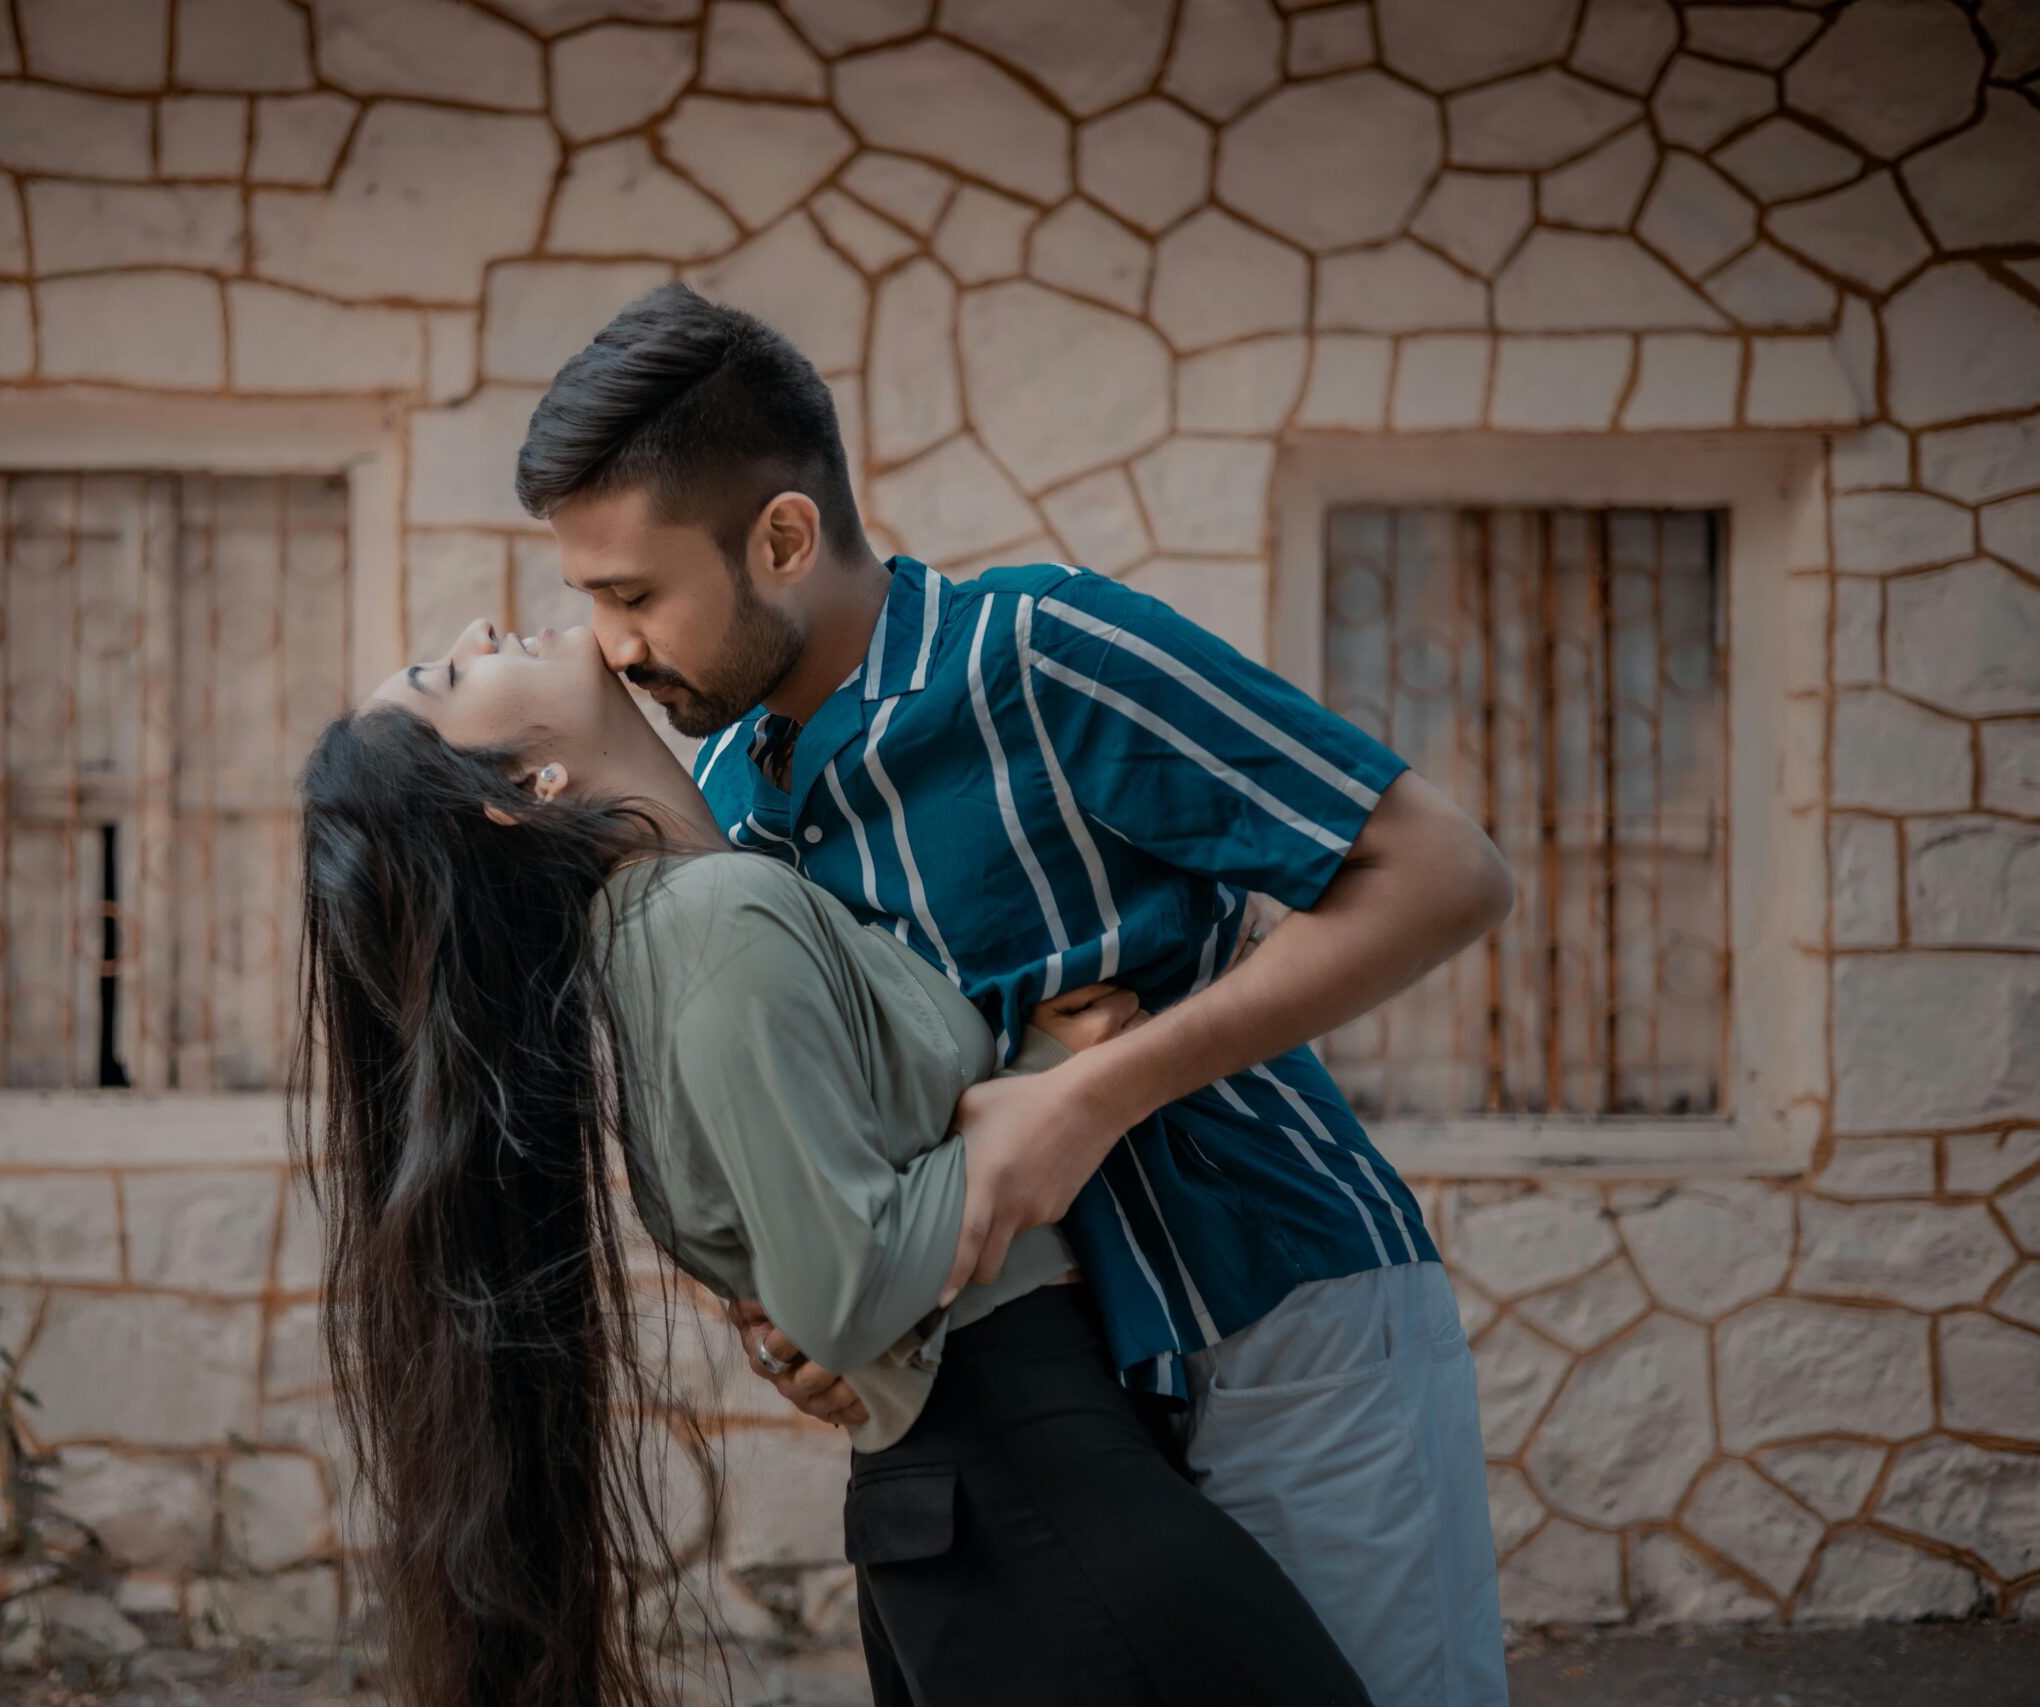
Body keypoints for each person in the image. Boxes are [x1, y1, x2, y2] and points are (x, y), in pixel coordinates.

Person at [514, 284, 1518, 1707]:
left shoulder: (1038, 652)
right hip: (1049, 1417)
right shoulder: (732, 804)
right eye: (589, 601)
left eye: (634, 591)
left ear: (783, 537)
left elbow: (1441, 872)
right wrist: (816, 1312)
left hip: (1280, 1312)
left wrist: (1089, 1093)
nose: (613, 642)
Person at [289, 618, 1376, 1707]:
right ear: (527, 783)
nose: (479, 632)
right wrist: (1049, 1083)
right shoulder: (706, 917)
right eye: (450, 673)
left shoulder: (687, 914)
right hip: (1027, 1481)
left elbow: (823, 1265)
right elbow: (845, 1290)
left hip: (990, 1498)